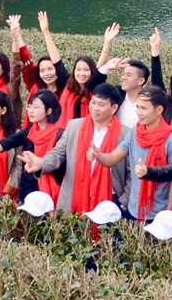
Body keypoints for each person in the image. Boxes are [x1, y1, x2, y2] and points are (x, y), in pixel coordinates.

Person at [23, 82, 134, 218]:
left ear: (114, 108)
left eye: (101, 104)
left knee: (105, 238)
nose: (95, 108)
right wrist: (41, 163)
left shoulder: (125, 134)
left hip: (109, 201)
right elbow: (58, 153)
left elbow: (131, 173)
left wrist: (122, 202)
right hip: (74, 196)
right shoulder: (74, 126)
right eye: (93, 102)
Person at [127, 84, 172, 220]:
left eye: (143, 108)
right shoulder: (135, 132)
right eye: (137, 107)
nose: (138, 112)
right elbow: (114, 156)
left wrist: (169, 213)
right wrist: (99, 155)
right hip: (135, 208)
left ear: (159, 110)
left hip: (159, 211)